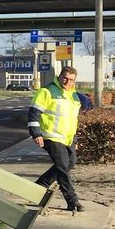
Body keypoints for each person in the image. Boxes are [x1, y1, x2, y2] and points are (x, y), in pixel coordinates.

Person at [28, 66, 84, 212]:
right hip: (51, 136)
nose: (68, 81)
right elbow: (33, 113)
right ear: (59, 76)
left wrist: (75, 139)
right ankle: (72, 200)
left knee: (70, 163)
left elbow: (73, 119)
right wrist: (36, 133)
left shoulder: (74, 95)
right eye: (65, 78)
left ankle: (39, 187)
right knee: (63, 167)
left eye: (71, 79)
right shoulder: (46, 91)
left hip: (68, 138)